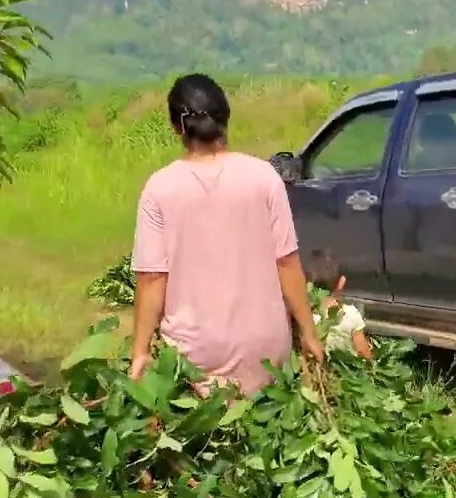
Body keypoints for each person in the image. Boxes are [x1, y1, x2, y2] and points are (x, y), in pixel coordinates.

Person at [128, 73, 323, 392]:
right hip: (268, 348)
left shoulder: (160, 188)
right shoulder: (264, 177)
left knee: (205, 434)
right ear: (226, 118)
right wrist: (309, 335)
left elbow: (152, 278)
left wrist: (140, 351)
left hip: (196, 356)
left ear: (176, 127)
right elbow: (287, 263)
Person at [307, 251, 372, 361]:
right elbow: (362, 351)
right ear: (341, 282)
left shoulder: (307, 316)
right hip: (345, 371)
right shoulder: (350, 314)